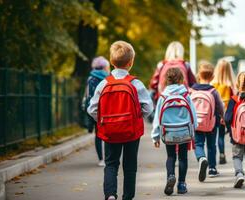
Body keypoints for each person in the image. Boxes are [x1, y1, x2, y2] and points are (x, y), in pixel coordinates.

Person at [87, 41, 153, 200]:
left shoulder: (104, 84)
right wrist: (136, 118)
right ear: (130, 63)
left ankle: (110, 195)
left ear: (111, 62)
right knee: (130, 167)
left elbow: (92, 109)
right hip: (131, 132)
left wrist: (103, 121)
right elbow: (148, 107)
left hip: (110, 132)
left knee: (111, 164)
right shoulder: (135, 83)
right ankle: (127, 197)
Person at [151, 67, 197, 196]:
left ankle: (170, 176)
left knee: (171, 156)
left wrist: (155, 137)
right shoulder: (186, 95)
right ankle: (181, 184)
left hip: (168, 132)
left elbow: (157, 118)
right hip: (184, 131)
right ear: (182, 79)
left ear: (167, 80)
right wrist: (194, 130)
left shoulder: (163, 96)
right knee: (183, 157)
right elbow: (193, 114)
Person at [190, 61, 224, 181]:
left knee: (198, 144)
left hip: (196, 123)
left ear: (198, 75)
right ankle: (212, 169)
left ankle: (201, 158)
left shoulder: (192, 90)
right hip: (211, 123)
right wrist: (223, 117)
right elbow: (220, 106)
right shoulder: (213, 91)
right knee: (211, 145)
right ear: (213, 77)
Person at [82, 56, 110, 167]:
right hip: (106, 110)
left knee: (98, 135)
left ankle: (101, 159)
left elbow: (88, 96)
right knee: (107, 134)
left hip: (94, 110)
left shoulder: (91, 78)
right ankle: (107, 157)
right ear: (104, 67)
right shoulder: (107, 79)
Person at [211, 59, 235, 164]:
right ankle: (222, 154)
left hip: (214, 112)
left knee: (213, 135)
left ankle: (212, 157)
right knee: (221, 135)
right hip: (225, 113)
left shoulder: (213, 84)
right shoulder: (230, 85)